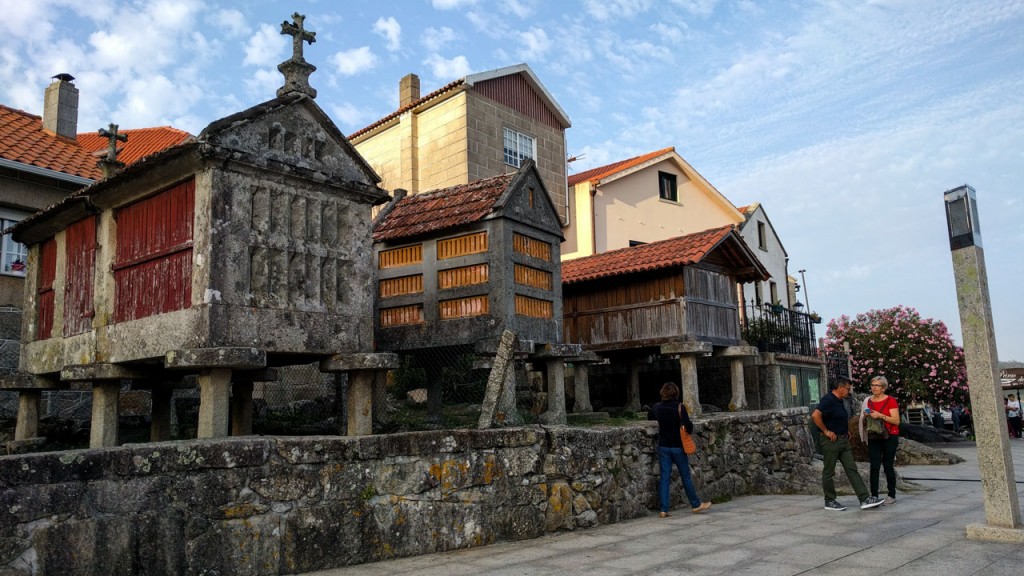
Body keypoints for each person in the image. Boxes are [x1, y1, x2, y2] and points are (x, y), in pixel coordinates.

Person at [811, 377, 884, 511]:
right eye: (847, 389)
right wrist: (826, 431)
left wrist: (845, 431)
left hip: (843, 440)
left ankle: (864, 498)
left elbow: (837, 418)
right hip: (831, 441)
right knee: (829, 471)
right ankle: (829, 500)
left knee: (851, 468)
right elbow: (815, 415)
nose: (849, 392)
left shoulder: (839, 401)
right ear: (840, 388)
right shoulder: (828, 400)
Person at [647, 382, 712, 517]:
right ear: (676, 393)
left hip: (663, 446)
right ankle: (695, 504)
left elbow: (649, 416)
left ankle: (664, 509)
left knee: (665, 477)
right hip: (678, 447)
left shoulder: (658, 407)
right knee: (686, 477)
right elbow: (689, 427)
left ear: (663, 393)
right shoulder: (679, 407)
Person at [858, 376, 900, 505]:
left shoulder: (891, 401)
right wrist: (866, 416)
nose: (874, 387)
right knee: (874, 466)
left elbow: (896, 421)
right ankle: (874, 495)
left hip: (889, 436)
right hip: (874, 435)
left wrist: (880, 415)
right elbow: (862, 420)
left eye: (877, 385)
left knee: (888, 466)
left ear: (884, 388)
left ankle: (891, 494)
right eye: (872, 385)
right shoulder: (867, 401)